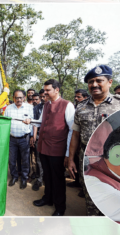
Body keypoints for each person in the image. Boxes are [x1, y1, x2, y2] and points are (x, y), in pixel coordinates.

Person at [67, 65, 120, 216]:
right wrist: (71, 159)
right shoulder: (81, 107)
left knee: (115, 200)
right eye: (91, 81)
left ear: (110, 82)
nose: (94, 84)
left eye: (99, 80)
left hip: (114, 161)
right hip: (87, 160)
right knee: (91, 196)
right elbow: (76, 135)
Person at [24, 79, 75, 216]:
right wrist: (30, 121)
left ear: (56, 90)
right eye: (44, 90)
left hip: (57, 149)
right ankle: (48, 198)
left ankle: (60, 207)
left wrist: (67, 153)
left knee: (57, 179)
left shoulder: (67, 105)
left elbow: (71, 130)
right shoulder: (46, 104)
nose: (44, 93)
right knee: (47, 176)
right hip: (44, 147)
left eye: (47, 90)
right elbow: (41, 122)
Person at [4, 90, 34, 190]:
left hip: (24, 138)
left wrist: (29, 122)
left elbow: (32, 121)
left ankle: (24, 178)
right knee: (12, 160)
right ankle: (14, 177)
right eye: (17, 98)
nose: (19, 100)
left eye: (21, 97)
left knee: (25, 160)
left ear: (24, 98)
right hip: (12, 139)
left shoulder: (29, 107)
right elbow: (5, 122)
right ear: (13, 98)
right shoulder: (9, 108)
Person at [30, 89, 46, 191]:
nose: (43, 98)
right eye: (41, 97)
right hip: (40, 136)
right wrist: (34, 136)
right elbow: (36, 123)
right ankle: (39, 179)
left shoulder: (59, 106)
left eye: (45, 96)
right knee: (39, 159)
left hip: (54, 139)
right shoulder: (37, 108)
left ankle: (48, 180)